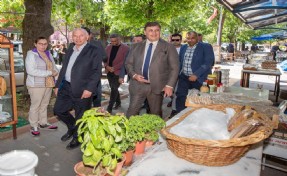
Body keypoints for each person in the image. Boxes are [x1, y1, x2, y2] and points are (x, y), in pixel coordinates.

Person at [53, 28, 103, 150]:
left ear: (87, 37)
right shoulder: (71, 48)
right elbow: (64, 68)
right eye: (75, 36)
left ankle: (78, 137)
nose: (77, 38)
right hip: (66, 86)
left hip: (83, 89)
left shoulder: (94, 50)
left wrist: (89, 89)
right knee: (58, 110)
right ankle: (72, 127)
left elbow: (97, 72)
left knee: (81, 116)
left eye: (81, 36)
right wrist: (57, 85)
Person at [125, 21, 179, 118]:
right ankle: (130, 132)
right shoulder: (136, 46)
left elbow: (174, 68)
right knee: (131, 113)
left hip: (157, 87)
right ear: (145, 32)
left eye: (157, 30)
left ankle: (156, 132)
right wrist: (134, 75)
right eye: (150, 30)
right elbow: (128, 64)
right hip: (138, 85)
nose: (154, 33)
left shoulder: (169, 47)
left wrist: (169, 86)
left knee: (155, 115)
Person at [25, 36, 59, 136]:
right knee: (36, 105)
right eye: (40, 43)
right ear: (35, 44)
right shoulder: (31, 54)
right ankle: (33, 125)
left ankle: (43, 123)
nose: (43, 46)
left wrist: (56, 74)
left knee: (44, 104)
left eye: (45, 44)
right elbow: (30, 71)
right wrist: (49, 73)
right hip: (36, 85)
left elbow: (54, 67)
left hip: (48, 83)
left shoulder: (48, 53)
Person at [175, 31, 214, 113]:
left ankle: (197, 116)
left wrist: (196, 74)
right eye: (188, 38)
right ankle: (180, 116)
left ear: (197, 38)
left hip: (199, 78)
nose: (190, 40)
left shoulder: (206, 46)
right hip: (184, 77)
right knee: (181, 97)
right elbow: (180, 62)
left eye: (193, 38)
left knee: (200, 99)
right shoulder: (183, 47)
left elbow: (208, 62)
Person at [81, 26, 107, 107]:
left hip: (94, 75)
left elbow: (105, 57)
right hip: (80, 77)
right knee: (82, 99)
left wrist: (95, 58)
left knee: (97, 97)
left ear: (90, 35)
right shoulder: (75, 45)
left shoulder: (97, 44)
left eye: (84, 35)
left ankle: (97, 116)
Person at [104, 34, 129, 114]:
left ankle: (109, 108)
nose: (113, 43)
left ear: (119, 39)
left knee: (114, 88)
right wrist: (107, 66)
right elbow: (104, 58)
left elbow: (125, 61)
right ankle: (118, 102)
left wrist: (114, 67)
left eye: (115, 41)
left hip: (118, 72)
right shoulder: (108, 47)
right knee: (113, 88)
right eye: (112, 41)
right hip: (109, 71)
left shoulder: (126, 48)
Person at [168, 33, 183, 117]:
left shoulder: (184, 48)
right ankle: (173, 102)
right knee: (171, 92)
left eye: (177, 40)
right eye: (173, 40)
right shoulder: (167, 48)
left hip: (180, 74)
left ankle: (174, 109)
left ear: (180, 40)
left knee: (177, 92)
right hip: (168, 74)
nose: (175, 42)